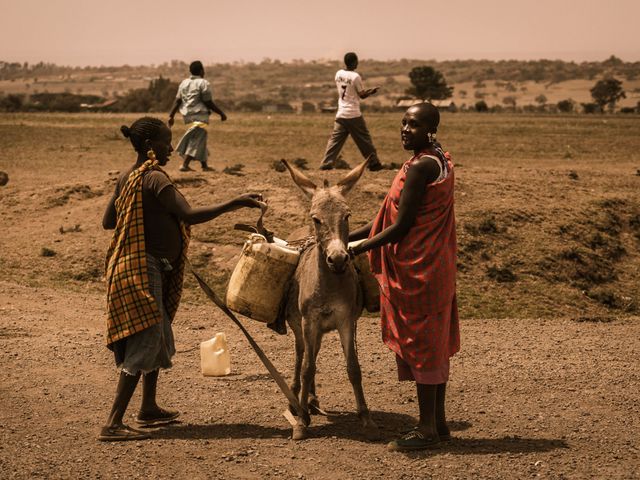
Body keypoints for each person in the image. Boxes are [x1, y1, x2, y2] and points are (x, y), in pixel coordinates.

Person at [100, 116, 263, 441]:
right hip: (142, 269)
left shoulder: (127, 177)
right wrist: (235, 203)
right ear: (149, 147)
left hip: (137, 267)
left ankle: (147, 408)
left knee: (156, 332)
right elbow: (189, 214)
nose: (171, 148)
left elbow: (108, 221)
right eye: (166, 142)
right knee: (147, 337)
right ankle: (112, 423)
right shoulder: (155, 179)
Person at [349, 102, 460, 451]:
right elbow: (389, 215)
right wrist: (351, 236)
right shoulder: (438, 159)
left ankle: (425, 428)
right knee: (434, 343)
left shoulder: (421, 167)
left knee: (423, 345)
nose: (405, 129)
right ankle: (439, 424)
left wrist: (358, 247)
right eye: (403, 123)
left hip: (417, 270)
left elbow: (400, 228)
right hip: (436, 267)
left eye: (413, 124)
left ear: (431, 130)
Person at [319, 52, 385, 172]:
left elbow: (347, 89)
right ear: (354, 62)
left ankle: (326, 162)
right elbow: (362, 95)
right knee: (364, 140)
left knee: (335, 140)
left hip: (341, 114)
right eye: (356, 61)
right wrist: (372, 91)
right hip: (353, 114)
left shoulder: (338, 74)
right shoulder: (355, 76)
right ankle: (374, 163)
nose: (357, 63)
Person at [168, 60, 227, 172]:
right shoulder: (203, 83)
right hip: (200, 116)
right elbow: (208, 101)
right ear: (201, 71)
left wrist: (171, 115)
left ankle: (204, 165)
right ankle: (185, 164)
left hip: (188, 116)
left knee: (200, 138)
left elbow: (178, 101)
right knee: (198, 138)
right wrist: (221, 113)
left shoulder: (184, 83)